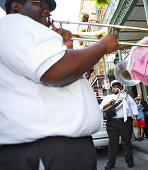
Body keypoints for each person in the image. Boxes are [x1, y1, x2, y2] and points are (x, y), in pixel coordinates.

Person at [0, 0, 123, 170]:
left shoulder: (23, 37)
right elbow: (56, 72)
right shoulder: (13, 23)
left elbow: (60, 82)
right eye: (39, 3)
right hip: (47, 149)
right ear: (16, 6)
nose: (47, 10)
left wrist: (66, 50)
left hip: (56, 147)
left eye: (48, 6)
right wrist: (102, 46)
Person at [100, 80, 138, 170]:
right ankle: (111, 164)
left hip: (125, 122)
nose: (115, 88)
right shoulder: (107, 97)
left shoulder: (126, 97)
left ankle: (129, 161)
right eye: (114, 86)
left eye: (117, 86)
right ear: (112, 88)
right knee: (112, 144)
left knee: (126, 142)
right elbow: (100, 108)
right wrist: (110, 103)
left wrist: (135, 119)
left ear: (120, 88)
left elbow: (133, 106)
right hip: (112, 123)